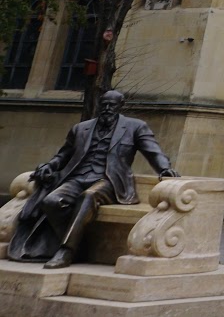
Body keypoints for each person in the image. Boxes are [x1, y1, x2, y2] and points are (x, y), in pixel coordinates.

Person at [8, 90, 178, 268]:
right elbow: (62, 156)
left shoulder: (135, 126)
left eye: (111, 105)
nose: (107, 109)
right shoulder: (81, 128)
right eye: (104, 105)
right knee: (51, 201)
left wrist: (164, 168)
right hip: (78, 177)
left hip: (110, 182)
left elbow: (153, 151)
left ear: (120, 106)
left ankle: (66, 251)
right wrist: (49, 166)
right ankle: (78, 244)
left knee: (88, 196)